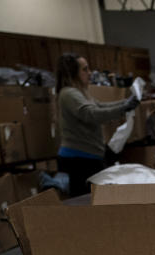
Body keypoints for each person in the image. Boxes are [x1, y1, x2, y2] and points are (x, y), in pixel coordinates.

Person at [55, 53, 139, 196]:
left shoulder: (80, 92)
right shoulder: (68, 94)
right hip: (78, 160)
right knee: (85, 204)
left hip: (89, 157)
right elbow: (91, 114)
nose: (90, 73)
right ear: (73, 72)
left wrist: (126, 103)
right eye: (85, 69)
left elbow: (99, 106)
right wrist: (124, 108)